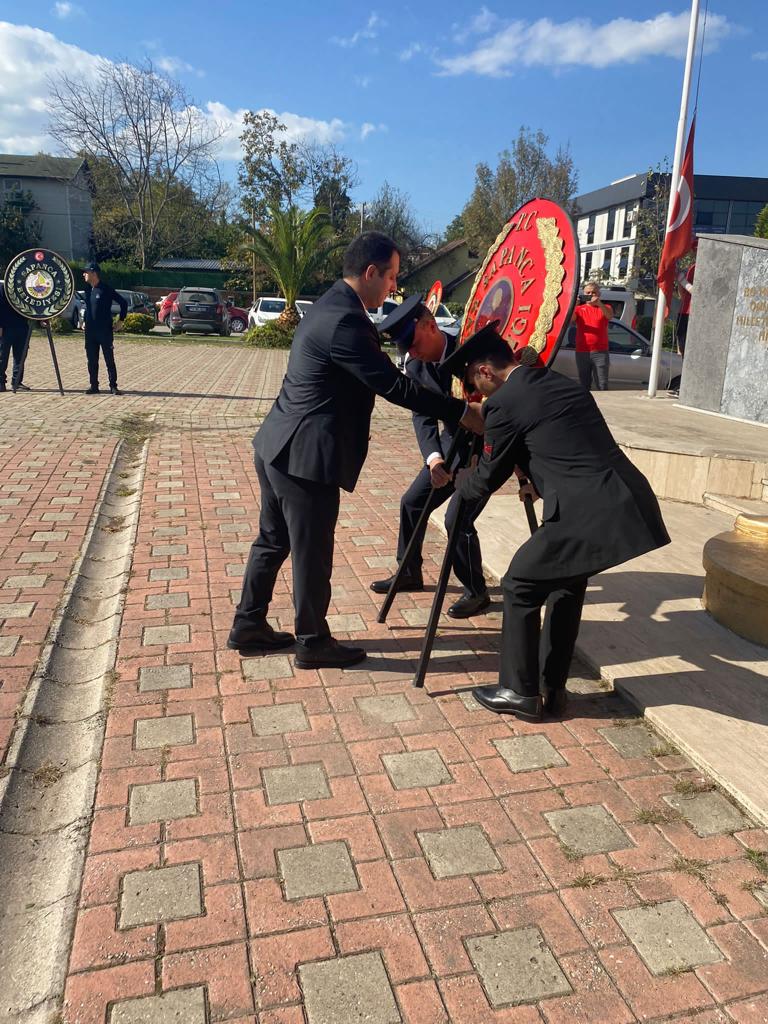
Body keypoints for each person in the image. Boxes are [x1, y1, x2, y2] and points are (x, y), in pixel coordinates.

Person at [228, 232, 485, 670]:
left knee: (273, 540)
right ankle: (312, 642)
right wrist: (463, 412)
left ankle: (248, 623)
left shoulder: (329, 306)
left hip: (277, 445)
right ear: (370, 273)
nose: (394, 287)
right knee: (311, 552)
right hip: (304, 458)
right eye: (392, 277)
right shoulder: (345, 321)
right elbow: (393, 385)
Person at [447, 326, 670, 721]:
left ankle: (518, 692)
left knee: (520, 582)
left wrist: (461, 486)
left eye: (474, 387)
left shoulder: (505, 403)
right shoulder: (557, 382)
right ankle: (553, 688)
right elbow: (563, 441)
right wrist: (537, 479)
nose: (479, 397)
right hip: (624, 499)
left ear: (484, 371)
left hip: (585, 511)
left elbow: (489, 476)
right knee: (565, 587)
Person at [370, 295, 490, 617]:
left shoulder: (472, 354)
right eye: (403, 346)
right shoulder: (416, 365)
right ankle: (409, 572)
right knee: (412, 502)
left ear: (430, 325)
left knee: (457, 517)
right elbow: (421, 415)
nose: (410, 350)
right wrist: (434, 458)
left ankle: (476, 591)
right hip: (451, 446)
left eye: (413, 341)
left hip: (487, 450)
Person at [81, 262, 127, 394]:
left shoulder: (106, 289)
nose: (84, 274)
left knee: (109, 359)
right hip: (90, 331)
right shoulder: (87, 290)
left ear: (94, 273)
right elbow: (88, 308)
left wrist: (121, 321)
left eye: (86, 272)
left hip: (104, 331)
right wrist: (84, 321)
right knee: (92, 360)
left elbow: (123, 303)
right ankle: (94, 386)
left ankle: (113, 386)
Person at [572, 282, 613, 391]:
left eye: (594, 292)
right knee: (584, 384)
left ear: (599, 294)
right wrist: (573, 304)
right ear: (583, 294)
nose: (591, 295)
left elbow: (609, 316)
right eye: (588, 293)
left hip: (600, 352)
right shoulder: (579, 309)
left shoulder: (606, 307)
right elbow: (571, 319)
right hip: (582, 351)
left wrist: (599, 304)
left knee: (602, 384)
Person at [0, 281, 32, 393]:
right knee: (2, 356)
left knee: (20, 357)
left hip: (22, 327)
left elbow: (32, 305)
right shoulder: (2, 287)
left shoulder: (25, 287)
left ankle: (17, 381)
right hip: (6, 327)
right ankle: (0, 383)